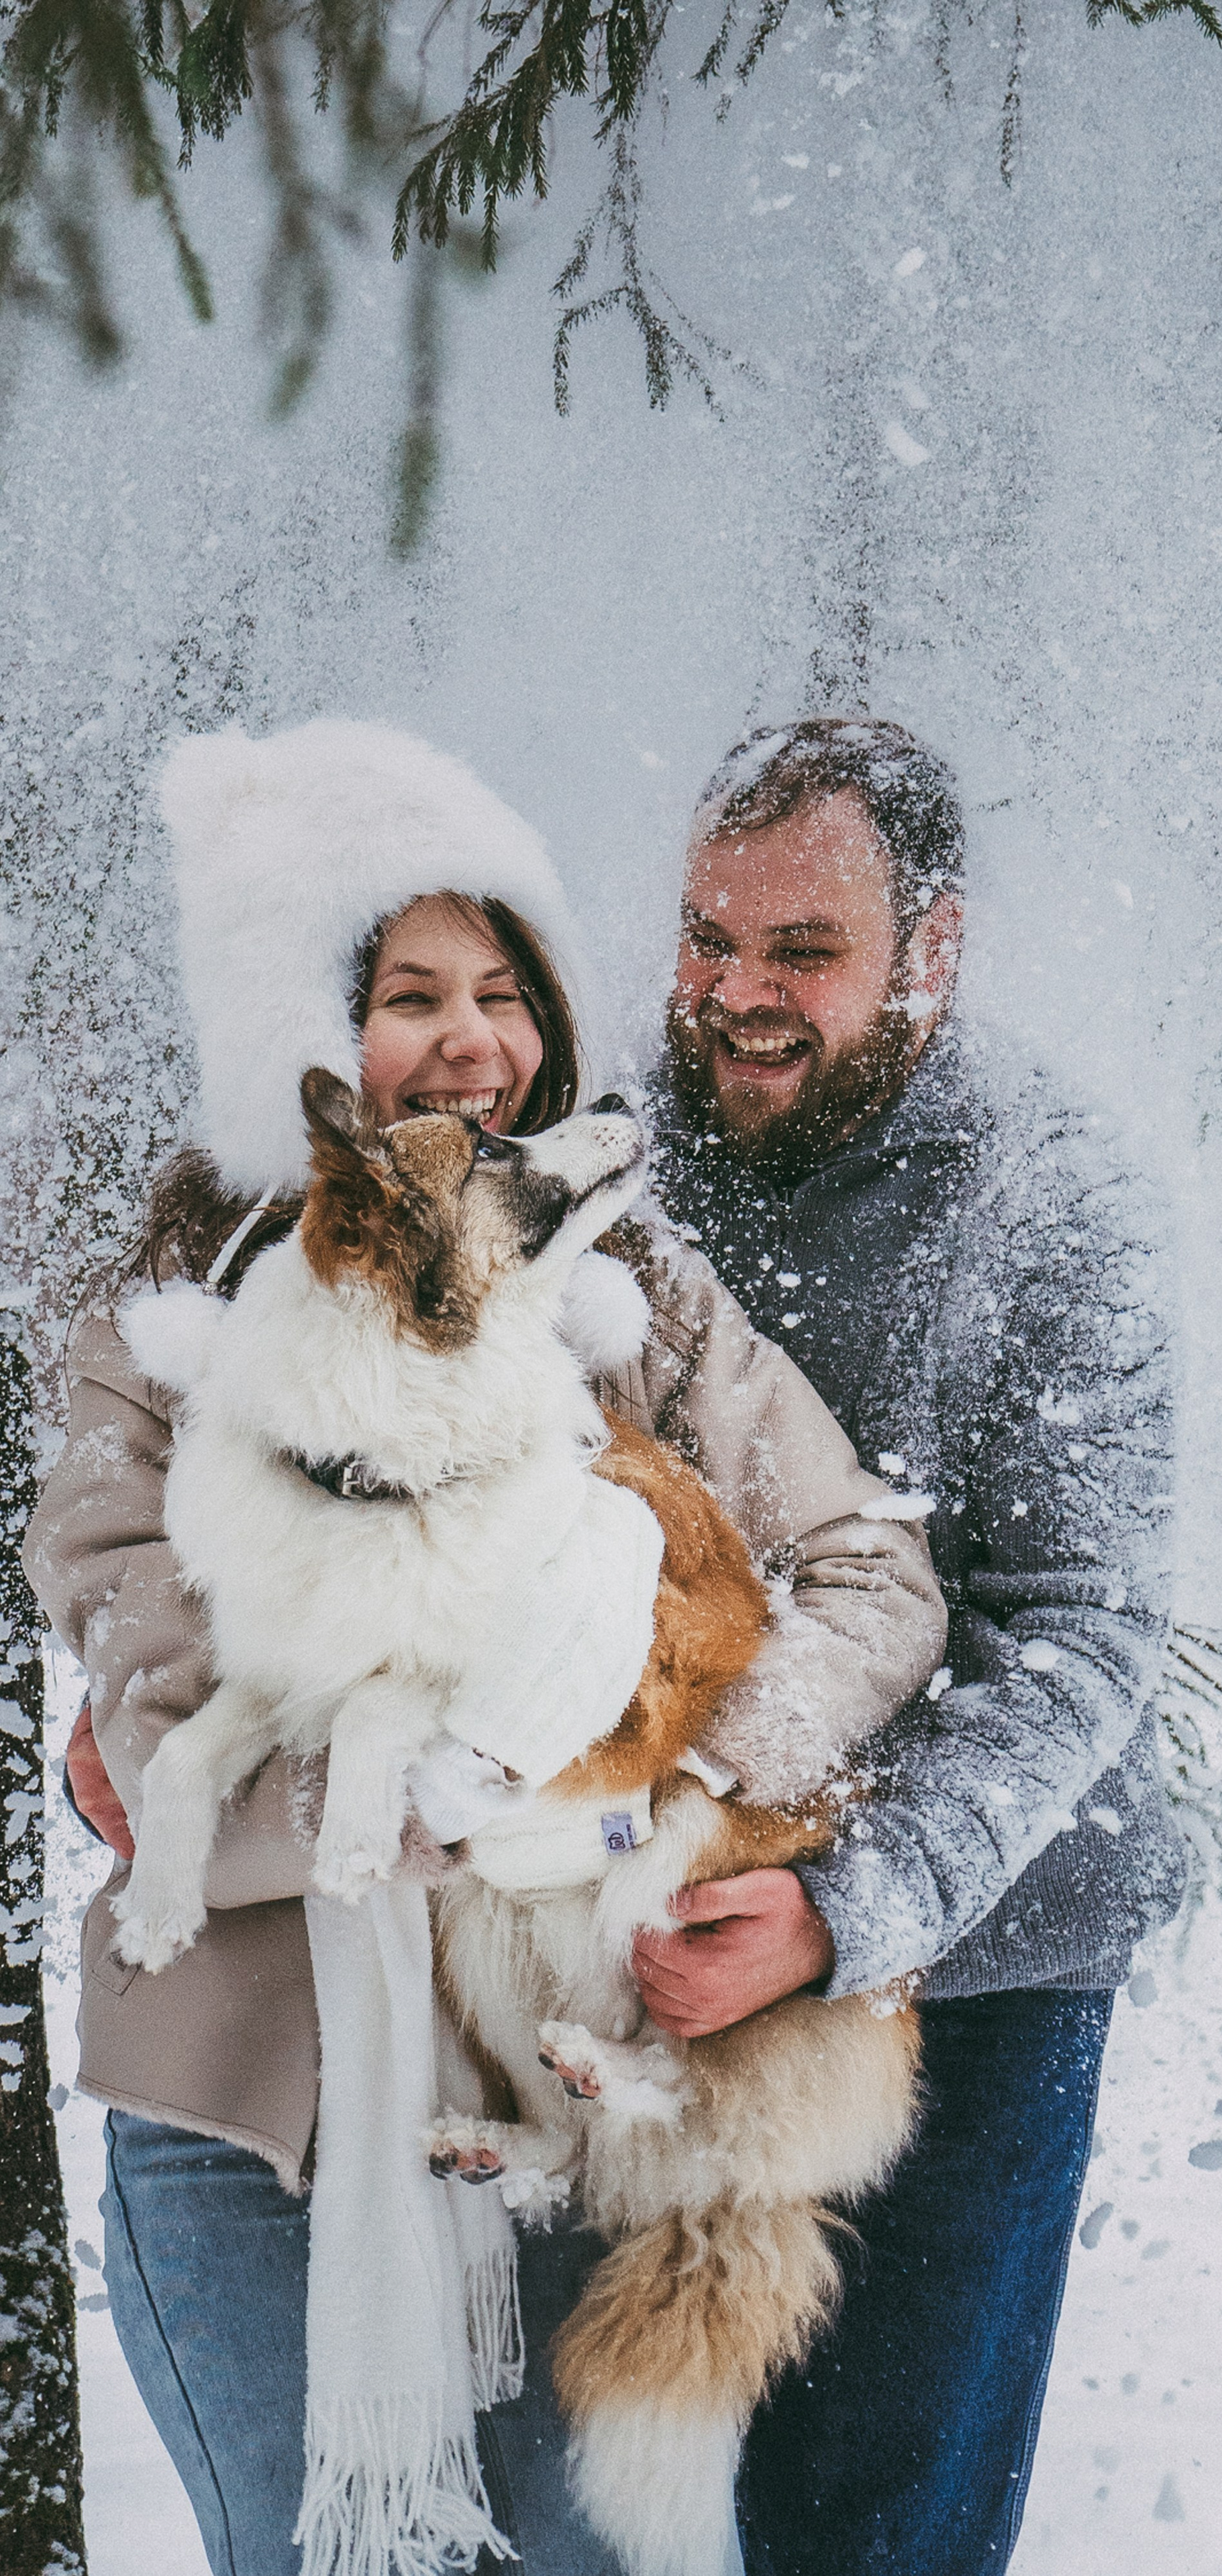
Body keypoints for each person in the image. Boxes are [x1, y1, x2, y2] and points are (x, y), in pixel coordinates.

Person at [28, 717, 948, 2576]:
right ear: (302, 1024)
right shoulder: (160, 1349)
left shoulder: (630, 1299)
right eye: (411, 993)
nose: (477, 1040)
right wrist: (449, 1789)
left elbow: (873, 1574)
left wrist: (653, 1778)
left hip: (566, 2087)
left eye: (507, 989)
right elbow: (161, 1729)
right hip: (256, 2120)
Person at [626, 718, 1186, 2576]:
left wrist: (848, 1906)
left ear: (929, 952)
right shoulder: (618, 1153)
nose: (737, 995)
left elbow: (1083, 1639)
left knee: (870, 2531)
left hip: (975, 1967)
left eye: (803, 951)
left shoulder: (1053, 1203)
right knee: (577, 2499)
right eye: (711, 937)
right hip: (654, 1926)